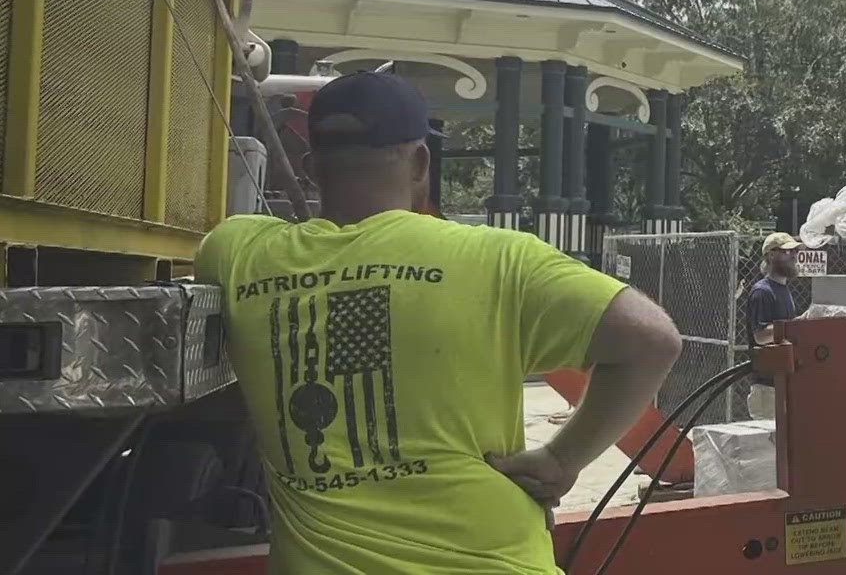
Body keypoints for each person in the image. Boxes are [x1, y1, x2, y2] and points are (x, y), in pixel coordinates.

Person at [195, 71, 683, 572]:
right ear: (421, 161)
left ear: (310, 165)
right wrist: (562, 459)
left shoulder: (236, 254)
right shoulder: (497, 260)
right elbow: (652, 340)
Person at [745, 232, 802, 419]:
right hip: (767, 388)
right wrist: (793, 327)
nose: (794, 255)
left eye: (795, 250)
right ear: (771, 255)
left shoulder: (784, 290)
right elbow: (760, 336)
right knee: (769, 447)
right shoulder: (762, 291)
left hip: (782, 383)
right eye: (787, 251)